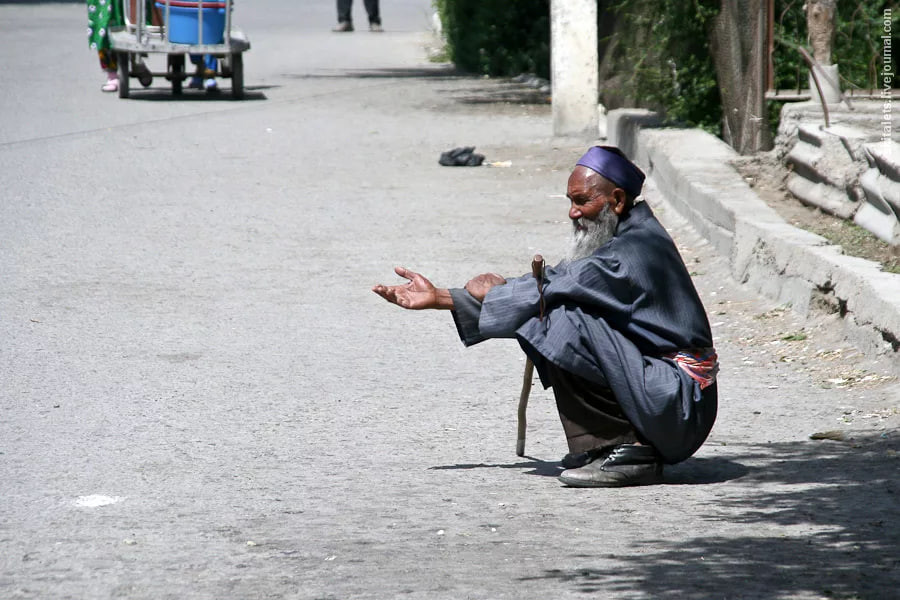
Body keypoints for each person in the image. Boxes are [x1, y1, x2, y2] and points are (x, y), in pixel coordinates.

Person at [372, 146, 719, 488]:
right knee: (548, 309)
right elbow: (554, 283)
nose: (573, 213)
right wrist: (442, 297)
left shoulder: (630, 253)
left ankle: (631, 451)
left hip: (678, 405)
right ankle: (606, 445)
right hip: (667, 396)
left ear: (616, 200)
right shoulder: (629, 232)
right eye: (570, 202)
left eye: (582, 202)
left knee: (558, 318)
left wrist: (464, 296)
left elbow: (556, 289)